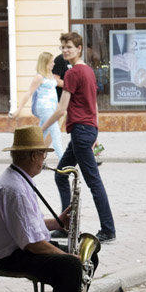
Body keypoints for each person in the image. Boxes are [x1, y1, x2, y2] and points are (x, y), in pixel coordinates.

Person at [0, 126, 96, 292]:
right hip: (11, 257)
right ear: (33, 155)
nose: (44, 160)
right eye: (43, 154)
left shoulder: (19, 180)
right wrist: (66, 256)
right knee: (71, 265)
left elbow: (28, 226)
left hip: (21, 249)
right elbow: (32, 244)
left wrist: (57, 222)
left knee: (89, 255)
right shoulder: (14, 189)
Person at [39, 32, 116, 243]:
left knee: (94, 182)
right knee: (61, 175)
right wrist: (95, 132)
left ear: (79, 48)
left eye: (69, 47)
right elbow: (94, 105)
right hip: (86, 130)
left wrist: (41, 129)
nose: (65, 51)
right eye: (63, 47)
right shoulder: (89, 72)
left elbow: (61, 109)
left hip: (81, 132)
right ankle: (65, 225)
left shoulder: (73, 74)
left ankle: (108, 230)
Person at [11, 50, 64, 158]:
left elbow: (59, 86)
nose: (54, 64)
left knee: (41, 134)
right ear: (45, 63)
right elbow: (28, 93)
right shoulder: (39, 77)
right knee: (56, 134)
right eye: (51, 62)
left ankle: (32, 157)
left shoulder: (50, 75)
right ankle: (64, 162)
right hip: (44, 108)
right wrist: (19, 109)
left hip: (51, 108)